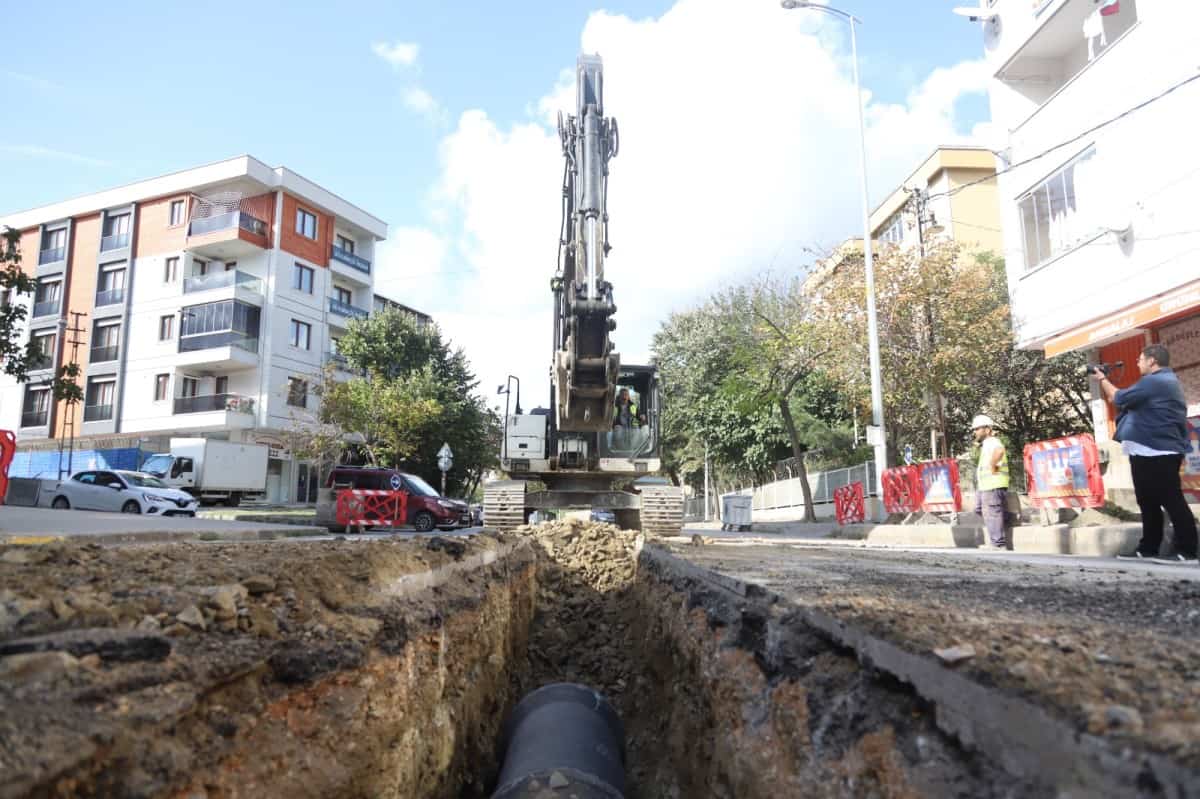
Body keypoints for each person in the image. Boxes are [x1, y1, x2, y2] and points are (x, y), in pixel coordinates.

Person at [1095, 344, 1198, 564]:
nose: (1137, 362)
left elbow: (1118, 398)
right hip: (1146, 449)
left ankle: (1188, 550)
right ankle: (1148, 547)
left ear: (1152, 361)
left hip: (1158, 450)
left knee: (1171, 499)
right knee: (1147, 501)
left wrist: (1102, 379)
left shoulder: (1156, 381)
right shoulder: (1160, 383)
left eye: (1140, 359)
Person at [971, 414, 1010, 549]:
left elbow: (999, 451)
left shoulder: (993, 441)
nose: (974, 432)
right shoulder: (986, 444)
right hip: (986, 486)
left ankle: (998, 543)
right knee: (979, 508)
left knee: (992, 512)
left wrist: (994, 466)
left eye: (977, 429)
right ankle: (1004, 521)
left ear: (987, 430)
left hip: (993, 484)